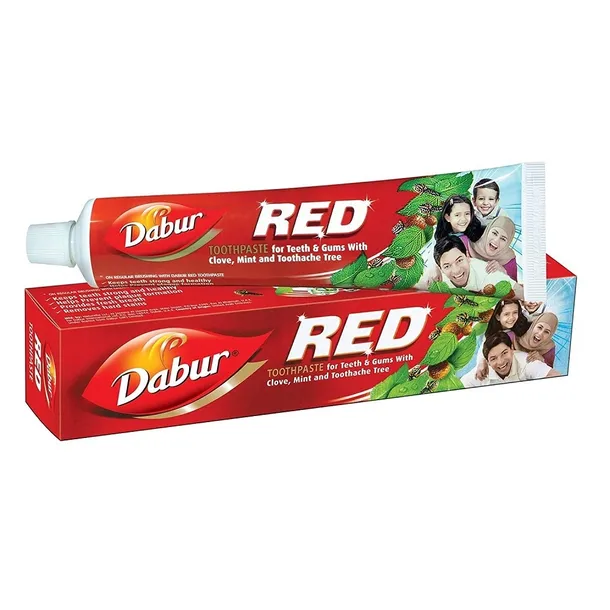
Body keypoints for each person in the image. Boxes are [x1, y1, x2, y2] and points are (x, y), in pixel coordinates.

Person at [431, 235, 524, 298]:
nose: (456, 270)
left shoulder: (485, 271)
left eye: (459, 260)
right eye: (447, 266)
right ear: (440, 269)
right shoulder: (436, 280)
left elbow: (520, 292)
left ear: (467, 256)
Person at [462, 332, 561, 387]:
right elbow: (460, 386)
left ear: (512, 349)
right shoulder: (482, 372)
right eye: (493, 358)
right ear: (487, 362)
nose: (501, 362)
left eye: (504, 353)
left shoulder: (526, 361)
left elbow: (555, 376)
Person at [467, 216, 518, 281]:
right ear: (487, 231)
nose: (496, 240)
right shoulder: (464, 243)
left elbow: (515, 286)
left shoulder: (509, 259)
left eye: (503, 239)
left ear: (508, 243)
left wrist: (503, 273)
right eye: (494, 233)